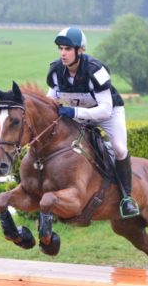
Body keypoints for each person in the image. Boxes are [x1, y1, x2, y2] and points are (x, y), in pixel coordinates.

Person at [46, 27, 139, 218]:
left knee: (120, 148)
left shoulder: (96, 70)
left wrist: (74, 112)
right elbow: (50, 102)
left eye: (68, 49)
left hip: (108, 115)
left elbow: (104, 109)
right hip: (78, 116)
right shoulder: (56, 71)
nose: (63, 53)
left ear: (80, 50)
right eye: (61, 48)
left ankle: (126, 198)